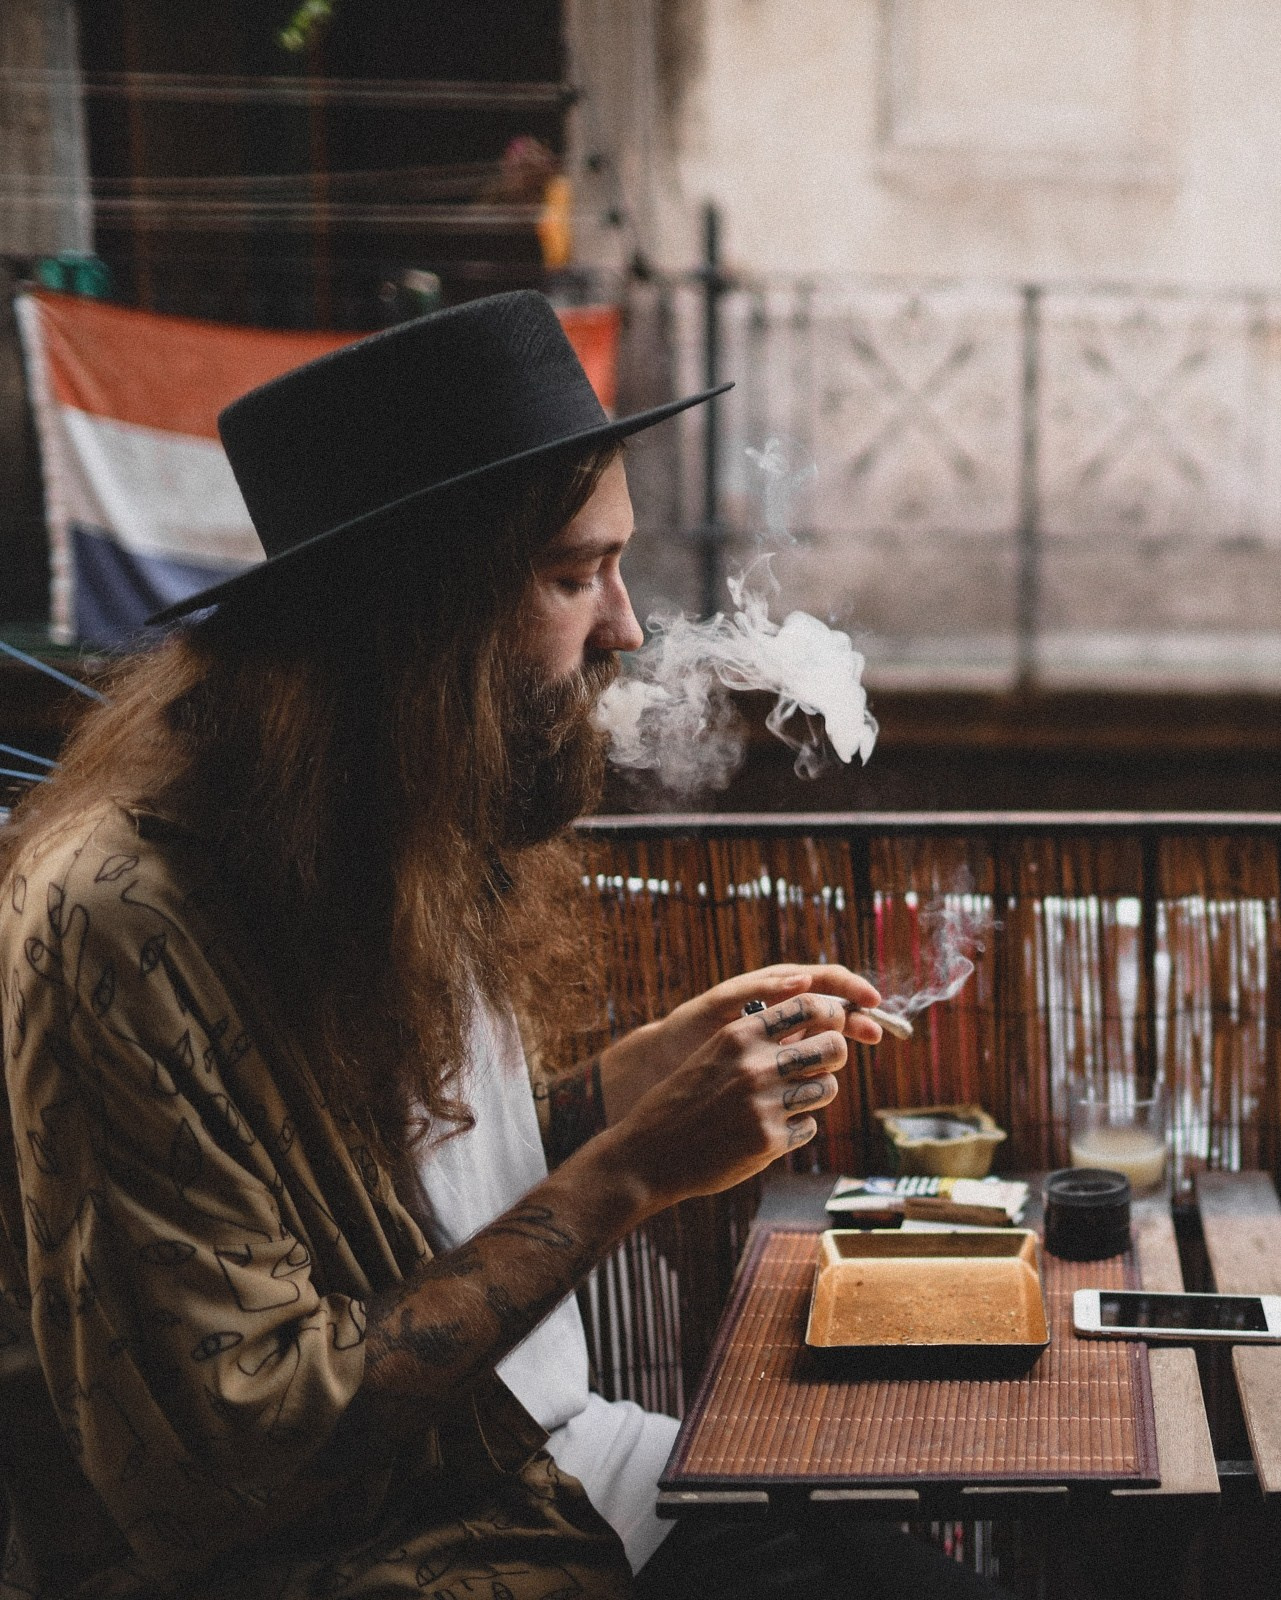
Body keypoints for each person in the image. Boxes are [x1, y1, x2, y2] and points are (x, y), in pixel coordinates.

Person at [0, 294, 989, 1599]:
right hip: (408, 1553)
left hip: (552, 1475)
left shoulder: (389, 814)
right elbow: (238, 1459)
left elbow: (385, 1217)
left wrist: (605, 1102)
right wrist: (629, 1174)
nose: (627, 631)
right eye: (575, 575)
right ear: (418, 615)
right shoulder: (120, 917)